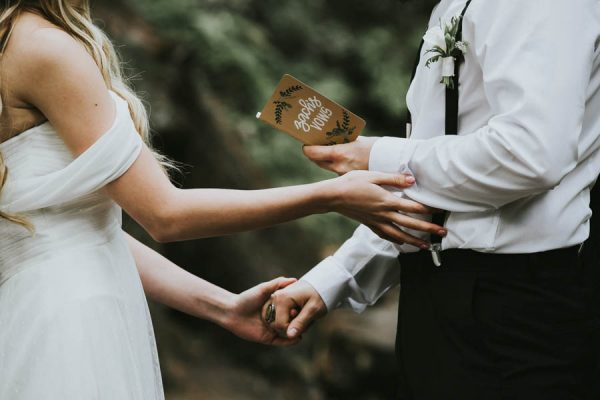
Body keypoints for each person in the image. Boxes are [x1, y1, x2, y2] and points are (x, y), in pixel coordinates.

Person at [0, 1, 447, 399]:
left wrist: (223, 307)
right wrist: (329, 194)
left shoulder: (21, 39)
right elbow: (164, 215)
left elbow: (89, 232)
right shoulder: (46, 47)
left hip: (43, 302)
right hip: (71, 313)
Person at [267, 0, 600, 399]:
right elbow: (439, 189)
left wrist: (376, 156)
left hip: (513, 314)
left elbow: (530, 153)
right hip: (438, 306)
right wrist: (334, 277)